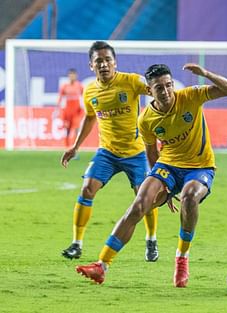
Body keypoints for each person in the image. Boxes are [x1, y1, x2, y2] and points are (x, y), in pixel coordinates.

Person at [75, 63, 227, 287]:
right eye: (159, 88)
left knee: (190, 197)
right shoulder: (146, 120)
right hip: (167, 166)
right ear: (150, 91)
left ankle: (182, 259)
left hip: (200, 166)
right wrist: (160, 184)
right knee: (139, 204)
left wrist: (206, 74)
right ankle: (102, 265)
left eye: (169, 85)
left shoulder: (190, 96)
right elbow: (152, 153)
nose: (166, 91)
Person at [60, 41, 160, 263]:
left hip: (137, 153)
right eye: (99, 61)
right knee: (87, 189)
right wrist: (75, 146)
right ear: (91, 66)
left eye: (107, 60)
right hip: (107, 152)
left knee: (145, 198)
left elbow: (156, 92)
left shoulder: (131, 81)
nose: (104, 64)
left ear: (115, 62)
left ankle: (151, 239)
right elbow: (89, 116)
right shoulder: (90, 91)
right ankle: (77, 244)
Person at [56, 68, 84, 147]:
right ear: (68, 76)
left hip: (77, 110)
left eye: (73, 75)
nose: (72, 77)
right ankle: (67, 147)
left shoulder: (79, 86)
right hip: (68, 111)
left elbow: (84, 96)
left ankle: (75, 148)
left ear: (76, 76)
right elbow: (60, 98)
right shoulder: (64, 86)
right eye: (70, 75)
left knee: (76, 129)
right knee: (67, 130)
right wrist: (57, 109)